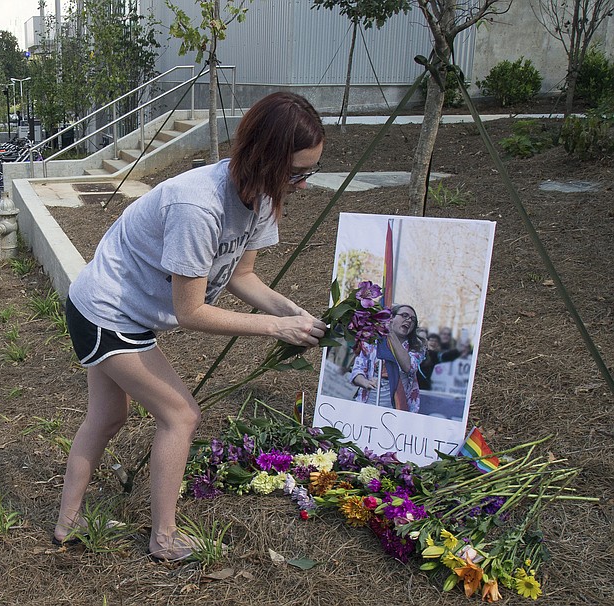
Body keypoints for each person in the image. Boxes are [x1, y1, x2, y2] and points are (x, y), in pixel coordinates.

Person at [54, 92, 327, 561]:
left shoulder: (261, 198)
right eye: (296, 173)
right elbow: (192, 313)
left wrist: (291, 313)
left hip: (124, 312)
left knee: (108, 416)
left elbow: (242, 275)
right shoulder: (197, 206)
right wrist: (273, 329)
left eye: (310, 173)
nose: (302, 185)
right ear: (264, 159)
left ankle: (68, 522)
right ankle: (163, 539)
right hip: (105, 312)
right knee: (180, 415)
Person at [350, 304, 425, 413]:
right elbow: (357, 370)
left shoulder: (417, 347)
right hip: (368, 403)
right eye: (404, 315)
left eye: (413, 319)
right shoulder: (372, 341)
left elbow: (409, 367)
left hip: (398, 408)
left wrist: (391, 335)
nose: (409, 320)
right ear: (391, 318)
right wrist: (366, 383)